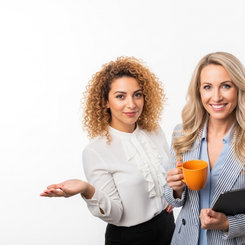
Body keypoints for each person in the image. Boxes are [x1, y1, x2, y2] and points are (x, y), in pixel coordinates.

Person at [40, 57, 175, 245]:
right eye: (121, 96)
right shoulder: (96, 151)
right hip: (130, 238)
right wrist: (87, 190)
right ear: (105, 102)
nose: (132, 104)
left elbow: (168, 175)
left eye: (137, 94)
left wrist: (172, 194)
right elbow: (116, 214)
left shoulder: (154, 131)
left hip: (168, 227)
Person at [165, 52, 245, 245]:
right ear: (199, 92)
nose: (216, 97)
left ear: (239, 89)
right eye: (207, 87)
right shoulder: (182, 134)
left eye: (226, 86)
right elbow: (172, 199)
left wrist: (228, 223)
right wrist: (175, 189)